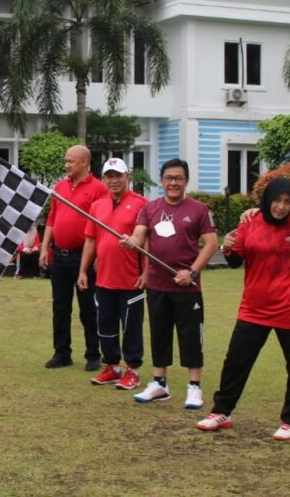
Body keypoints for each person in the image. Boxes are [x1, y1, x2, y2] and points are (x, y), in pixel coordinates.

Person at [195, 177, 290, 440]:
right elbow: (236, 260)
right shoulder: (249, 222)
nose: (281, 207)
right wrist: (226, 248)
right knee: (236, 360)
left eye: (287, 202)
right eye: (277, 200)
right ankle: (221, 411)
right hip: (254, 307)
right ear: (267, 200)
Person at [122, 158, 217, 408]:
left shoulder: (198, 210)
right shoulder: (150, 208)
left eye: (178, 178)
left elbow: (211, 243)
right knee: (159, 334)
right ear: (162, 180)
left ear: (186, 181)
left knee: (190, 337)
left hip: (187, 287)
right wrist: (131, 240)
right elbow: (139, 235)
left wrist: (192, 272)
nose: (173, 183)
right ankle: (159, 384)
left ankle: (194, 387)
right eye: (168, 178)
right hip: (157, 284)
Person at [77, 158, 148, 390]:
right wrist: (83, 271)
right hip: (104, 279)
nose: (114, 180)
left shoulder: (141, 204)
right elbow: (91, 240)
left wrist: (146, 272)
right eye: (109, 176)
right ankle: (113, 367)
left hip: (131, 280)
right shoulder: (97, 205)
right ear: (104, 178)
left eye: (118, 175)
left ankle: (133, 370)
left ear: (127, 176)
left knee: (131, 328)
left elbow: (148, 243)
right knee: (105, 327)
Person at [39, 145, 108, 371]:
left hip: (83, 257)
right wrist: (44, 248)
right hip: (60, 256)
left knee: (88, 307)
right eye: (66, 160)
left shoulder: (99, 189)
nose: (66, 165)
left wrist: (97, 255)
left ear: (84, 163)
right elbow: (51, 219)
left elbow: (102, 225)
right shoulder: (59, 187)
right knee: (60, 306)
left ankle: (93, 354)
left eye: (71, 161)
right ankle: (62, 352)